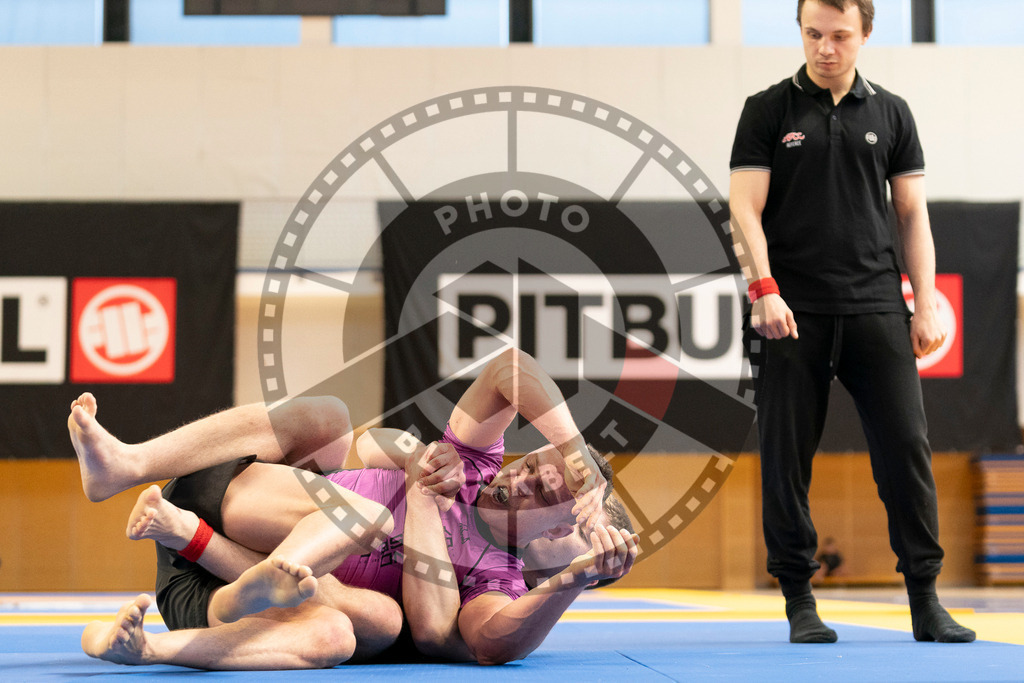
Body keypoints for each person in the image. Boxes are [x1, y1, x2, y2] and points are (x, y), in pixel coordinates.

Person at [72, 347, 638, 669]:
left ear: (560, 530)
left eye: (545, 491)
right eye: (532, 464)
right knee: (331, 423)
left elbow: (468, 638)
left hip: (232, 597)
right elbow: (508, 367)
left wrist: (572, 579)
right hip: (238, 506)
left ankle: (149, 645)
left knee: (350, 629)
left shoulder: (498, 579)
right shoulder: (474, 461)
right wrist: (572, 449)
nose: (521, 479)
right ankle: (129, 464)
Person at [728, 0, 974, 644]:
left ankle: (925, 598)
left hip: (876, 305)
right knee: (785, 459)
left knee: (906, 452)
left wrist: (925, 302)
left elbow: (912, 214)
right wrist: (764, 289)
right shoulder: (766, 110)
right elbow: (744, 209)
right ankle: (799, 601)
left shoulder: (892, 113)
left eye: (839, 36)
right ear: (801, 31)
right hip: (790, 313)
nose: (825, 48)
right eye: (813, 34)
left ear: (865, 34)